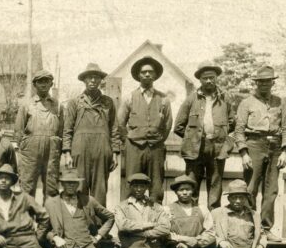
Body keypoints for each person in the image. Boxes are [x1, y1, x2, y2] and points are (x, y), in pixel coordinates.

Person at [234, 65, 286, 241]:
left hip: (275, 147)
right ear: (256, 83)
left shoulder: (279, 102)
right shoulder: (246, 103)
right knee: (250, 188)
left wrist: (285, 151)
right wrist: (244, 153)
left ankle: (265, 228)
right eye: (261, 82)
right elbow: (238, 130)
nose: (264, 84)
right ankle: (250, 227)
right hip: (254, 145)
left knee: (271, 189)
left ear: (272, 83)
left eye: (268, 81)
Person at [173, 62, 234, 209]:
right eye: (205, 78)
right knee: (192, 183)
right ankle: (192, 217)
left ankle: (213, 220)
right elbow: (179, 126)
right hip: (195, 149)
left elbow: (232, 122)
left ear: (216, 79)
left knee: (215, 184)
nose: (208, 81)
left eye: (211, 77)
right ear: (200, 79)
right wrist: (193, 138)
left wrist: (220, 136)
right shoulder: (191, 99)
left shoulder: (225, 98)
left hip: (218, 149)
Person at [62, 63, 121, 205]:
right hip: (80, 151)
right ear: (84, 80)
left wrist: (115, 153)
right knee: (79, 188)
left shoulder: (108, 102)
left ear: (101, 81)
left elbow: (114, 128)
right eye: (89, 77)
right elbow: (67, 129)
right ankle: (80, 224)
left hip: (102, 151)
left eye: (96, 77)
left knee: (100, 191)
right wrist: (67, 154)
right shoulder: (74, 103)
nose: (93, 80)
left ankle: (99, 226)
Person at [117, 57, 173, 202]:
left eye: (150, 72)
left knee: (156, 185)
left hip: (156, 148)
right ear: (138, 75)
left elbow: (167, 124)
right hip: (134, 147)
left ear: (155, 75)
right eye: (144, 72)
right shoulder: (129, 97)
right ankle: (131, 217)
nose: (147, 74)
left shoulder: (163, 99)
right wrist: (129, 140)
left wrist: (158, 139)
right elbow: (120, 124)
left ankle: (156, 218)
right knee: (132, 182)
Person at [15, 69, 62, 201]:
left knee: (51, 187)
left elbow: (61, 129)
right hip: (30, 151)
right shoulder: (26, 104)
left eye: (46, 81)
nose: (43, 84)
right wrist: (25, 149)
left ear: (51, 84)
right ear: (34, 84)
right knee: (27, 186)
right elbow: (18, 130)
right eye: (40, 81)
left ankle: (50, 220)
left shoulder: (57, 105)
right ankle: (27, 220)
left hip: (52, 150)